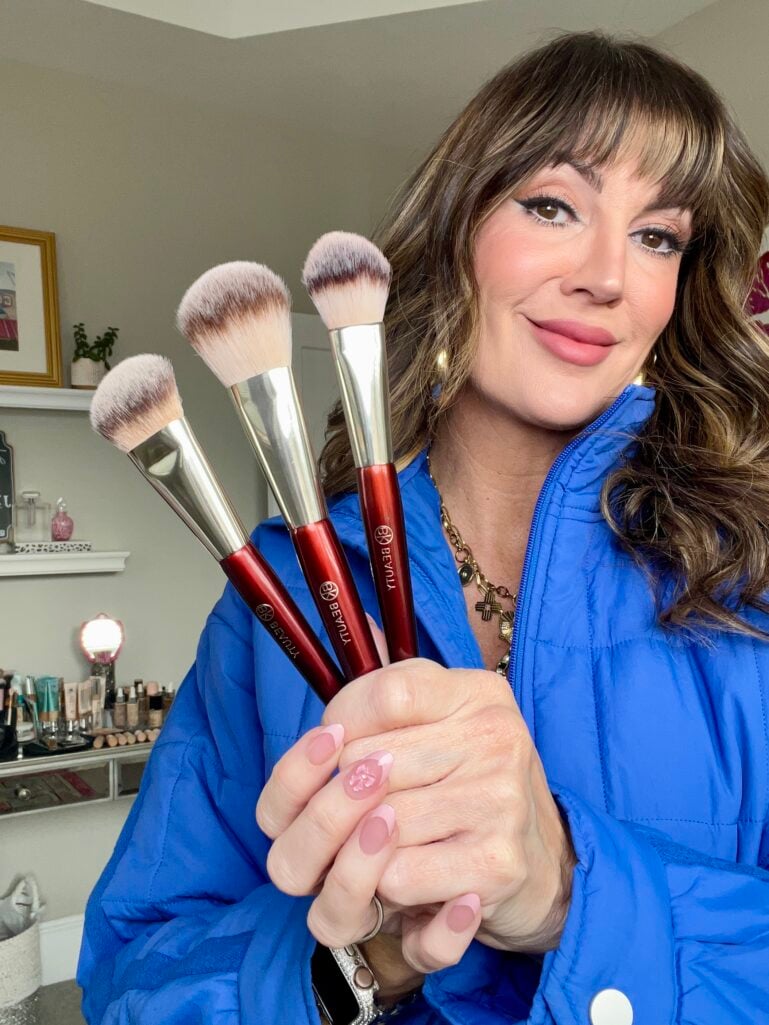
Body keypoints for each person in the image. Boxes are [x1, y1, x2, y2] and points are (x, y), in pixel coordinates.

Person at [78, 30, 769, 1025]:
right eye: (550, 206)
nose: (607, 274)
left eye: (657, 235)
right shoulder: (280, 595)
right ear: (454, 235)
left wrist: (568, 893)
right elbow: (132, 977)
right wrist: (352, 961)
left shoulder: (743, 581)